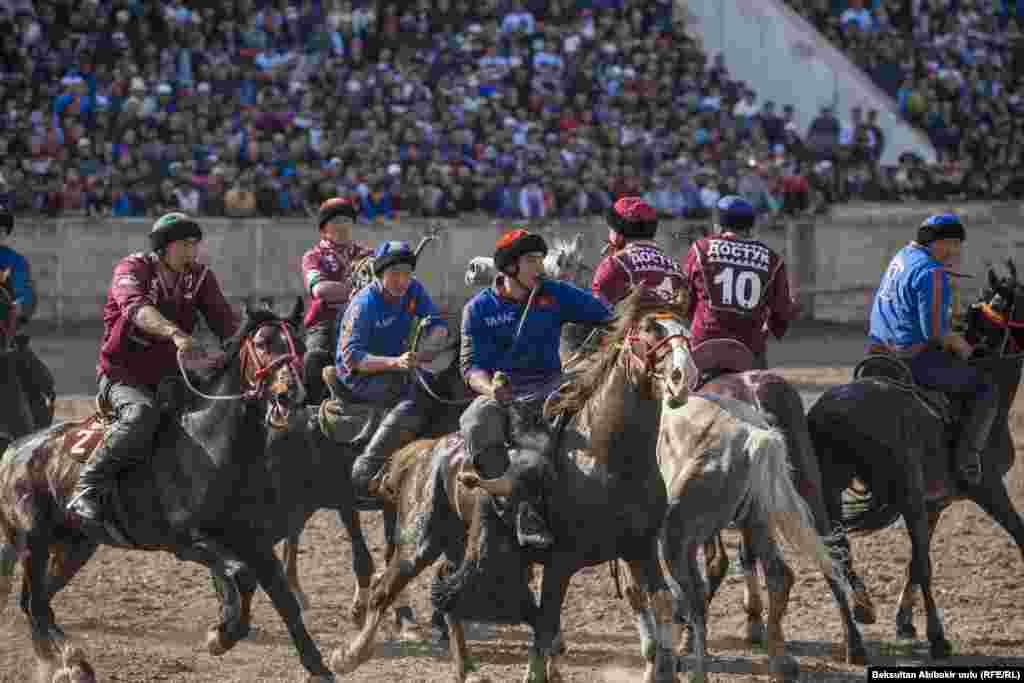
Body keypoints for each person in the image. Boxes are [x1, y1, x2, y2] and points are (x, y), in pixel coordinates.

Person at [67, 213, 239, 523]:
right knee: (141, 415)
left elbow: (225, 323)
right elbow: (137, 309)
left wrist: (251, 343)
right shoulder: (132, 269)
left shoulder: (199, 277)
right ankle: (87, 485)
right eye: (184, 245)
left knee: (225, 412)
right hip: (123, 376)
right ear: (163, 247)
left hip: (172, 376)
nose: (192, 252)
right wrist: (175, 333)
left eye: (195, 245)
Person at [460, 228, 612, 549]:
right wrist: (491, 390)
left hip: (553, 386)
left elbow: (606, 315)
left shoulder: (554, 292)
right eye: (531, 259)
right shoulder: (478, 309)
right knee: (475, 420)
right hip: (505, 393)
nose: (540, 266)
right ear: (510, 267)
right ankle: (517, 507)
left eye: (541, 259)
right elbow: (470, 368)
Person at [868, 212, 991, 485]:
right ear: (944, 243)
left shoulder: (902, 256)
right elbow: (935, 333)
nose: (957, 251)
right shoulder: (933, 272)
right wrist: (965, 347)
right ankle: (968, 459)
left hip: (877, 355)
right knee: (984, 386)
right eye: (957, 244)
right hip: (910, 359)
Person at [341, 240, 449, 499]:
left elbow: (437, 324)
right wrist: (395, 362)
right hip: (362, 374)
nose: (402, 281)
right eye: (394, 274)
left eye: (406, 274)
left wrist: (429, 348)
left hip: (400, 364)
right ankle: (367, 468)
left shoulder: (414, 290)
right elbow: (351, 358)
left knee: (438, 386)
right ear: (380, 274)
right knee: (410, 395)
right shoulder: (364, 304)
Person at [684, 195, 798, 369]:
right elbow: (781, 314)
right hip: (749, 350)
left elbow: (685, 301)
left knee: (676, 393)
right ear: (751, 226)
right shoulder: (773, 260)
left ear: (718, 224)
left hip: (704, 345)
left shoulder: (701, 249)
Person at [301, 197, 373, 404]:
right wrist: (359, 291)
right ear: (324, 230)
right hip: (325, 324)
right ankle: (311, 409)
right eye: (336, 221)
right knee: (313, 358)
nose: (343, 226)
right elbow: (321, 289)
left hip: (364, 323)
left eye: (347, 221)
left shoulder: (367, 255)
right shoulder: (313, 256)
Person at [0, 203, 54, 427]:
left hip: (6, 339)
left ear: (4, 232)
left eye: (1, 227)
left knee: (42, 385)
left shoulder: (14, 262)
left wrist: (14, 311)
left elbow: (25, 298)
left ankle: (33, 440)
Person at [591, 196, 687, 308]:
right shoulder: (674, 266)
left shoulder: (614, 264)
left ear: (618, 234)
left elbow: (596, 307)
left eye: (610, 229)